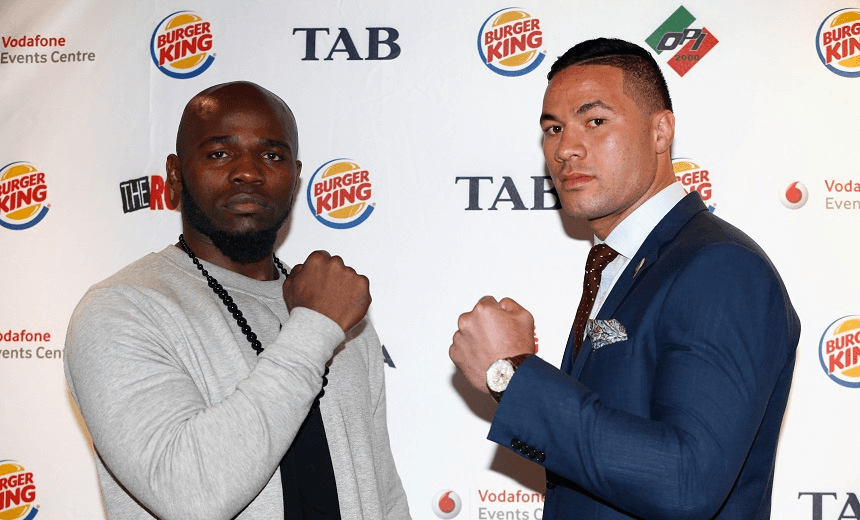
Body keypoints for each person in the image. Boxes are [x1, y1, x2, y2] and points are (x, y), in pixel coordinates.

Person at [449, 38, 799, 519]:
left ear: (661, 132)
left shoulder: (720, 266)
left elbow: (686, 480)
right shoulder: (618, 265)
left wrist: (511, 376)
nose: (566, 148)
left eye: (595, 121)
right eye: (553, 128)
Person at [65, 82, 410, 520]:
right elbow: (189, 493)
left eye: (272, 155)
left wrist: (323, 320)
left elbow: (382, 494)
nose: (249, 172)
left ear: (296, 176)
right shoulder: (121, 310)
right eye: (219, 153)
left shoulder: (341, 314)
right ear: (175, 174)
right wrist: (316, 327)